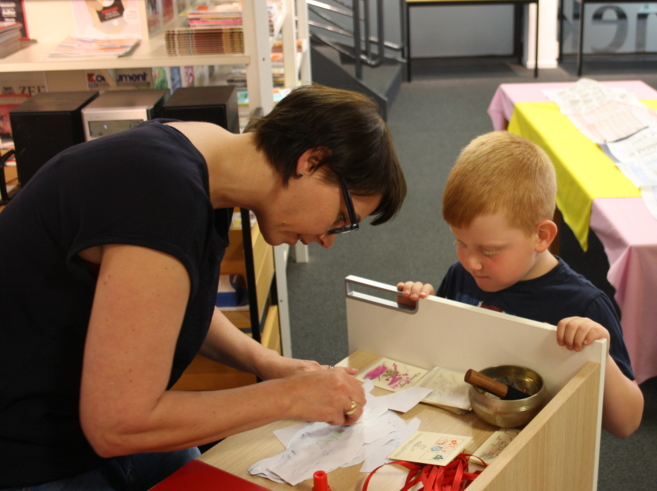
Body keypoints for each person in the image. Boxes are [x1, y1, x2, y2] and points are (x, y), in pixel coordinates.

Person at [0, 84, 406, 489]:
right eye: (342, 216)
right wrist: (291, 397)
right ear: (311, 161)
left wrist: (269, 364)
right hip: (33, 451)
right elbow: (118, 425)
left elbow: (164, 304)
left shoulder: (200, 161)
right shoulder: (162, 194)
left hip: (87, 430)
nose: (328, 239)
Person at [397, 131, 643, 438]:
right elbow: (443, 358)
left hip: (545, 449)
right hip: (469, 433)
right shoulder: (462, 275)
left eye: (489, 251)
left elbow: (627, 423)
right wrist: (423, 311)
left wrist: (599, 353)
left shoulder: (586, 306)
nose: (471, 262)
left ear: (541, 236)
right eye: (460, 242)